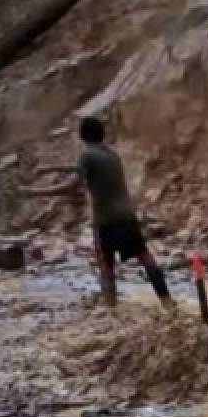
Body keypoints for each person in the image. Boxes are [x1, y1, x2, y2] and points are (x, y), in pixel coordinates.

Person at [22, 117, 173, 310]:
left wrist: (34, 192)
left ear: (83, 136)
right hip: (127, 216)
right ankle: (167, 302)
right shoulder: (111, 155)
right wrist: (51, 168)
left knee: (107, 266)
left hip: (106, 219)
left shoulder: (87, 156)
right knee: (145, 257)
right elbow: (84, 167)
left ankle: (111, 311)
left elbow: (72, 185)